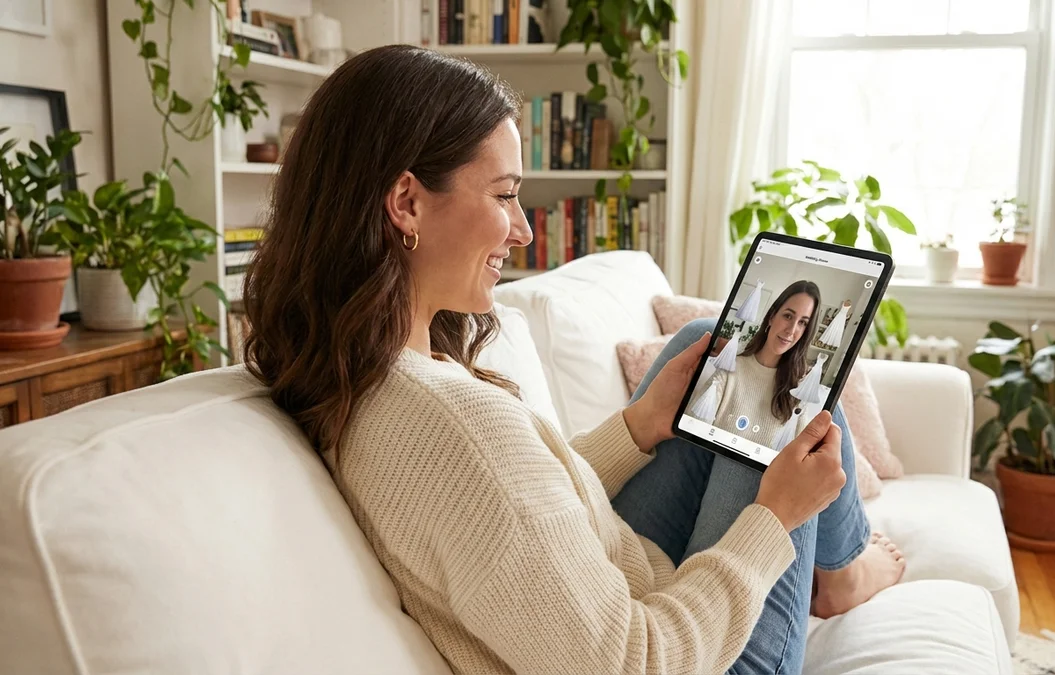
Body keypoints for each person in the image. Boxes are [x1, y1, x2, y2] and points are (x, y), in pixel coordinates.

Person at [242, 44, 905, 675]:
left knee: (705, 347)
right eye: (504, 195)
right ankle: (842, 571)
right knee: (789, 404)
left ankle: (834, 557)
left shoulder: (372, 370)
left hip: (628, 581)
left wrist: (639, 424)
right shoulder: (457, 429)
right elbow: (634, 660)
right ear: (407, 203)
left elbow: (523, 514)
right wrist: (774, 520)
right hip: (690, 653)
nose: (526, 229)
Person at [690, 281, 826, 450]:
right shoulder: (729, 370)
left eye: (803, 323)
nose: (791, 330)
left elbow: (801, 454)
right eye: (788, 316)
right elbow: (692, 435)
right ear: (771, 317)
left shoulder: (799, 391)